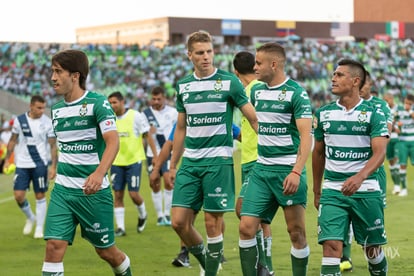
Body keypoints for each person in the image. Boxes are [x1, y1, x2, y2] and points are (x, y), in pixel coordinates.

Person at [169, 30, 258, 276]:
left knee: (212, 223)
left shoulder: (229, 82)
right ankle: (209, 261)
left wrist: (273, 145)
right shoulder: (184, 86)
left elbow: (253, 119)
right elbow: (180, 128)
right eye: (200, 53)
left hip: (218, 161)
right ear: (190, 55)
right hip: (190, 162)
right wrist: (173, 164)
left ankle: (210, 272)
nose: (206, 57)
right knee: (178, 222)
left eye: (209, 51)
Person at [42, 49, 132, 275]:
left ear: (75, 75)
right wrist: (54, 165)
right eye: (52, 71)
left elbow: (113, 142)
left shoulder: (98, 103)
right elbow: (61, 146)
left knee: (106, 252)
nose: (53, 77)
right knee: (53, 247)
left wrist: (100, 173)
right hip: (63, 191)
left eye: (58, 72)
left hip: (93, 192)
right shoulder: (57, 110)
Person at [238, 42, 312, 276]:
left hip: (288, 171)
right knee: (246, 228)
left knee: (296, 232)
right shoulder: (256, 91)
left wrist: (296, 171)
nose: (254, 67)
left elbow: (305, 137)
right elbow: (257, 121)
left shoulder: (297, 93)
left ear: (274, 64)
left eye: (258, 63)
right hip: (261, 171)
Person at [312, 58, 389, 276]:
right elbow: (318, 153)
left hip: (366, 192)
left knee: (372, 250)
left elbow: (380, 152)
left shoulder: (374, 113)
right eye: (334, 74)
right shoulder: (324, 114)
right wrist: (317, 190)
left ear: (355, 81)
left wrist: (360, 177)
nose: (333, 78)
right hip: (333, 192)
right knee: (331, 247)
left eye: (339, 75)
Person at [152, 122, 236, 268]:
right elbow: (170, 143)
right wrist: (158, 168)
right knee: (183, 219)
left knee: (214, 216)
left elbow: (243, 135)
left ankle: (216, 252)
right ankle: (185, 253)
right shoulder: (187, 114)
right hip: (191, 171)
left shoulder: (220, 113)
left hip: (215, 169)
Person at [336, 70, 393, 272]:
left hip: (373, 174)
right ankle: (346, 257)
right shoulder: (341, 105)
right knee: (344, 215)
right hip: (345, 171)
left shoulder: (380, 106)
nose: (363, 86)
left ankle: (374, 259)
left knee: (370, 223)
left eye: (367, 83)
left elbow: (384, 137)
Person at [233, 50, 274, 276]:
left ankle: (263, 266)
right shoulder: (253, 89)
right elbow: (249, 128)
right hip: (249, 158)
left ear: (236, 72)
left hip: (259, 160)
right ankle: (266, 267)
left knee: (244, 210)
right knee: (259, 218)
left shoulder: (253, 90)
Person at [2, 95, 57, 239]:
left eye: (43, 108)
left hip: (40, 164)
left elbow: (52, 145)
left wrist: (53, 167)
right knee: (18, 195)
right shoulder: (19, 121)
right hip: (22, 164)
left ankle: (39, 227)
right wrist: (7, 160)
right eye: (39, 108)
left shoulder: (48, 123)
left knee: (40, 195)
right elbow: (13, 141)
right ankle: (31, 217)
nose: (41, 111)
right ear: (31, 106)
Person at [108, 91, 154, 236]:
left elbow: (147, 135)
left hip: (134, 160)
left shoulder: (136, 116)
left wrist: (154, 156)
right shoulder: (109, 119)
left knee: (134, 194)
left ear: (122, 102)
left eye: (114, 102)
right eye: (109, 103)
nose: (112, 105)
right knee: (118, 195)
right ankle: (120, 228)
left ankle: (143, 214)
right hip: (116, 162)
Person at [143, 86, 177, 226]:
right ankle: (159, 216)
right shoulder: (145, 114)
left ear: (164, 98)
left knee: (169, 182)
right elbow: (147, 135)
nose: (156, 101)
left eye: (159, 99)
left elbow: (177, 133)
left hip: (169, 153)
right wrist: (156, 155)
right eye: (153, 99)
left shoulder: (173, 112)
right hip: (152, 154)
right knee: (155, 184)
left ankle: (168, 215)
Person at [393, 93, 414, 196]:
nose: (407, 105)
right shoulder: (399, 110)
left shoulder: (411, 111)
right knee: (402, 164)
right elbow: (393, 121)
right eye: (406, 103)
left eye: (409, 104)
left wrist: (410, 111)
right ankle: (404, 188)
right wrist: (397, 127)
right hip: (402, 142)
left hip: (413, 141)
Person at [382, 93, 403, 195]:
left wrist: (399, 126)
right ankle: (396, 184)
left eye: (387, 100)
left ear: (391, 99)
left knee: (396, 160)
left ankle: (399, 185)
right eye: (384, 100)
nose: (386, 102)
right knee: (391, 162)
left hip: (397, 139)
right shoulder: (384, 110)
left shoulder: (399, 108)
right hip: (388, 139)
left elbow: (403, 122)